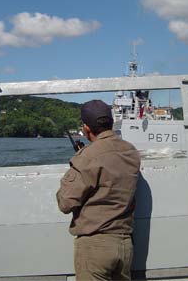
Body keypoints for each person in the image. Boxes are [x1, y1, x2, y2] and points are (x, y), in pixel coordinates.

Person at [56, 99, 141, 281]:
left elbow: (65, 203)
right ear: (110, 122)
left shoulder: (87, 157)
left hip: (95, 246)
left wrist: (79, 160)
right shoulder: (131, 152)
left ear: (86, 128)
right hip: (125, 244)